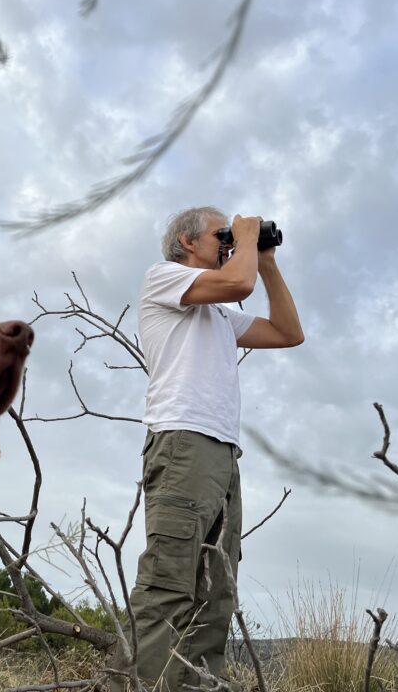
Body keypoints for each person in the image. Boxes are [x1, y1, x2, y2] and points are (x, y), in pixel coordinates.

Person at [113, 206, 304, 691]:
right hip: (182, 443)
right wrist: (244, 241)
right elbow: (237, 284)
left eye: (230, 234)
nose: (227, 241)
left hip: (223, 454)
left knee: (215, 597)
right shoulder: (163, 279)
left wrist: (266, 262)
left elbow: (288, 333)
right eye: (219, 233)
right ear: (186, 241)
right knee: (168, 585)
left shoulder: (220, 315)